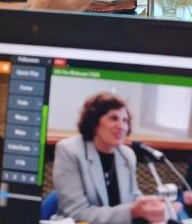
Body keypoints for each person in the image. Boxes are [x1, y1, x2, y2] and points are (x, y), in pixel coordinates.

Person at [53, 92, 168, 224]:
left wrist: (151, 208)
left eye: (125, 120)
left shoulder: (127, 155)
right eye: (113, 118)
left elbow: (133, 198)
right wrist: (132, 211)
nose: (121, 126)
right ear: (94, 122)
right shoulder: (69, 151)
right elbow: (77, 214)